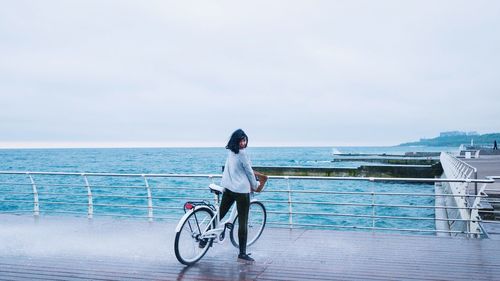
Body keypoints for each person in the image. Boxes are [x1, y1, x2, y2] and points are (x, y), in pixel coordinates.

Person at [219, 129, 266, 264]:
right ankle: (242, 254)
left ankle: (204, 239)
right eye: (241, 140)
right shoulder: (242, 154)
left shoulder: (230, 152)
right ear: (237, 141)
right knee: (243, 222)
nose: (243, 142)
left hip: (228, 187)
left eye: (244, 140)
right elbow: (250, 173)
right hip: (241, 192)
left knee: (220, 214)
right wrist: (256, 185)